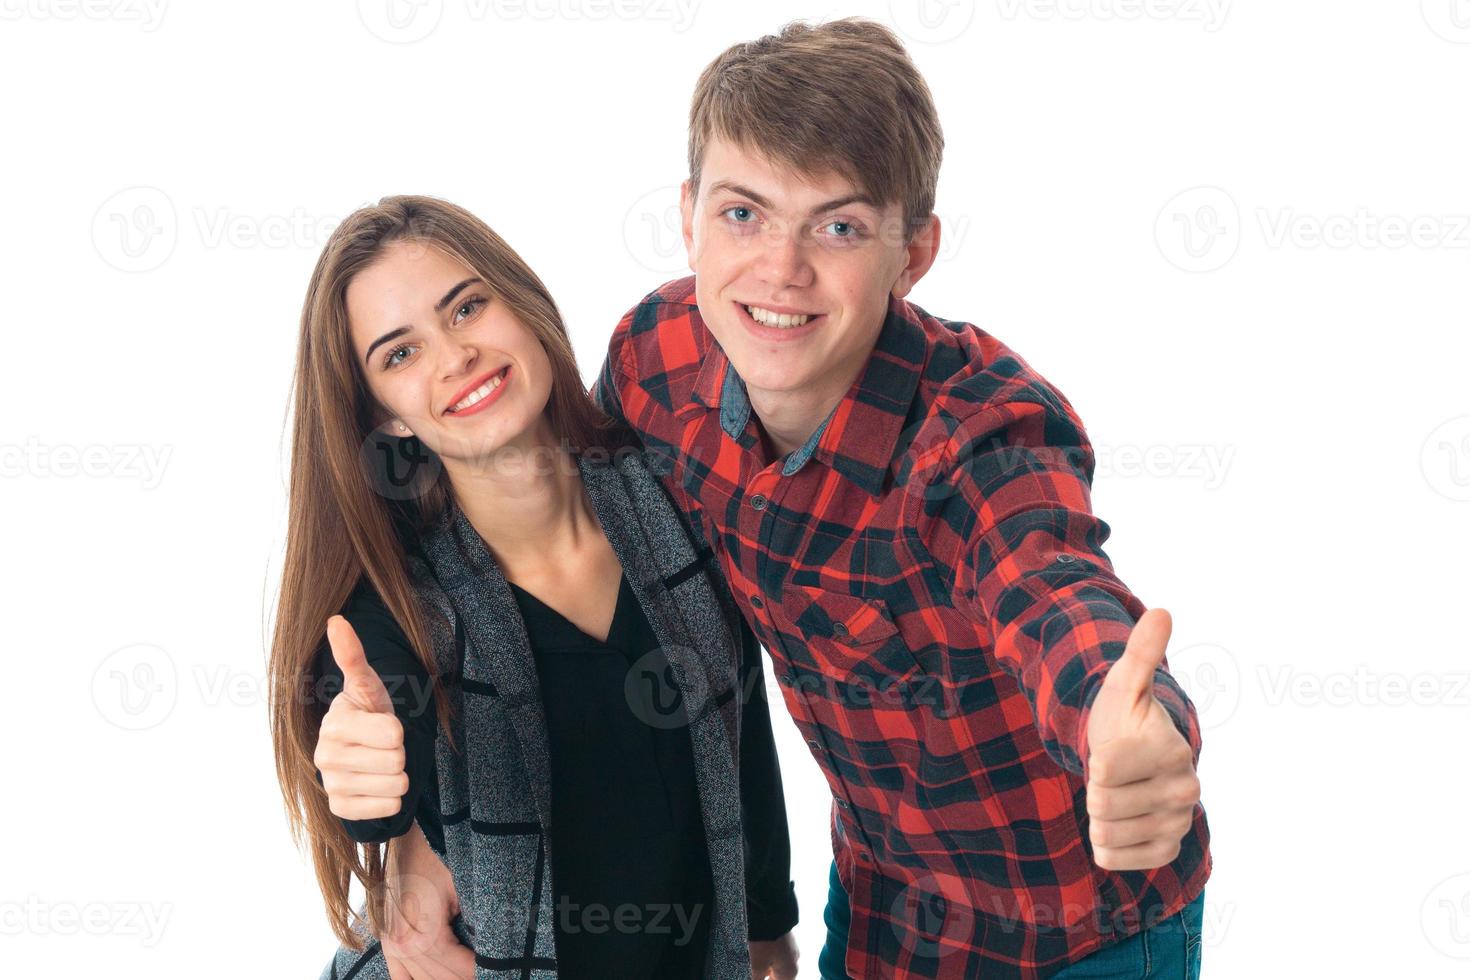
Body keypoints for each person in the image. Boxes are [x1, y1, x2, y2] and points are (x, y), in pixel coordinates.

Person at [586, 18, 1212, 979]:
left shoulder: (979, 440)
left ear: (913, 252)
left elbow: (1051, 585)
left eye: (837, 227)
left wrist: (1130, 728)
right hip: (883, 899)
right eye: (743, 213)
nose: (780, 270)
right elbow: (545, 532)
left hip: (1076, 931)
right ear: (687, 214)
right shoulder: (656, 360)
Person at [266, 195, 800, 979]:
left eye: (468, 307)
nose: (455, 357)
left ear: (521, 302)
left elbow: (740, 712)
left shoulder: (669, 495)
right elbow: (374, 733)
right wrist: (363, 771)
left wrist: (766, 924)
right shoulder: (399, 603)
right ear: (387, 419)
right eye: (400, 355)